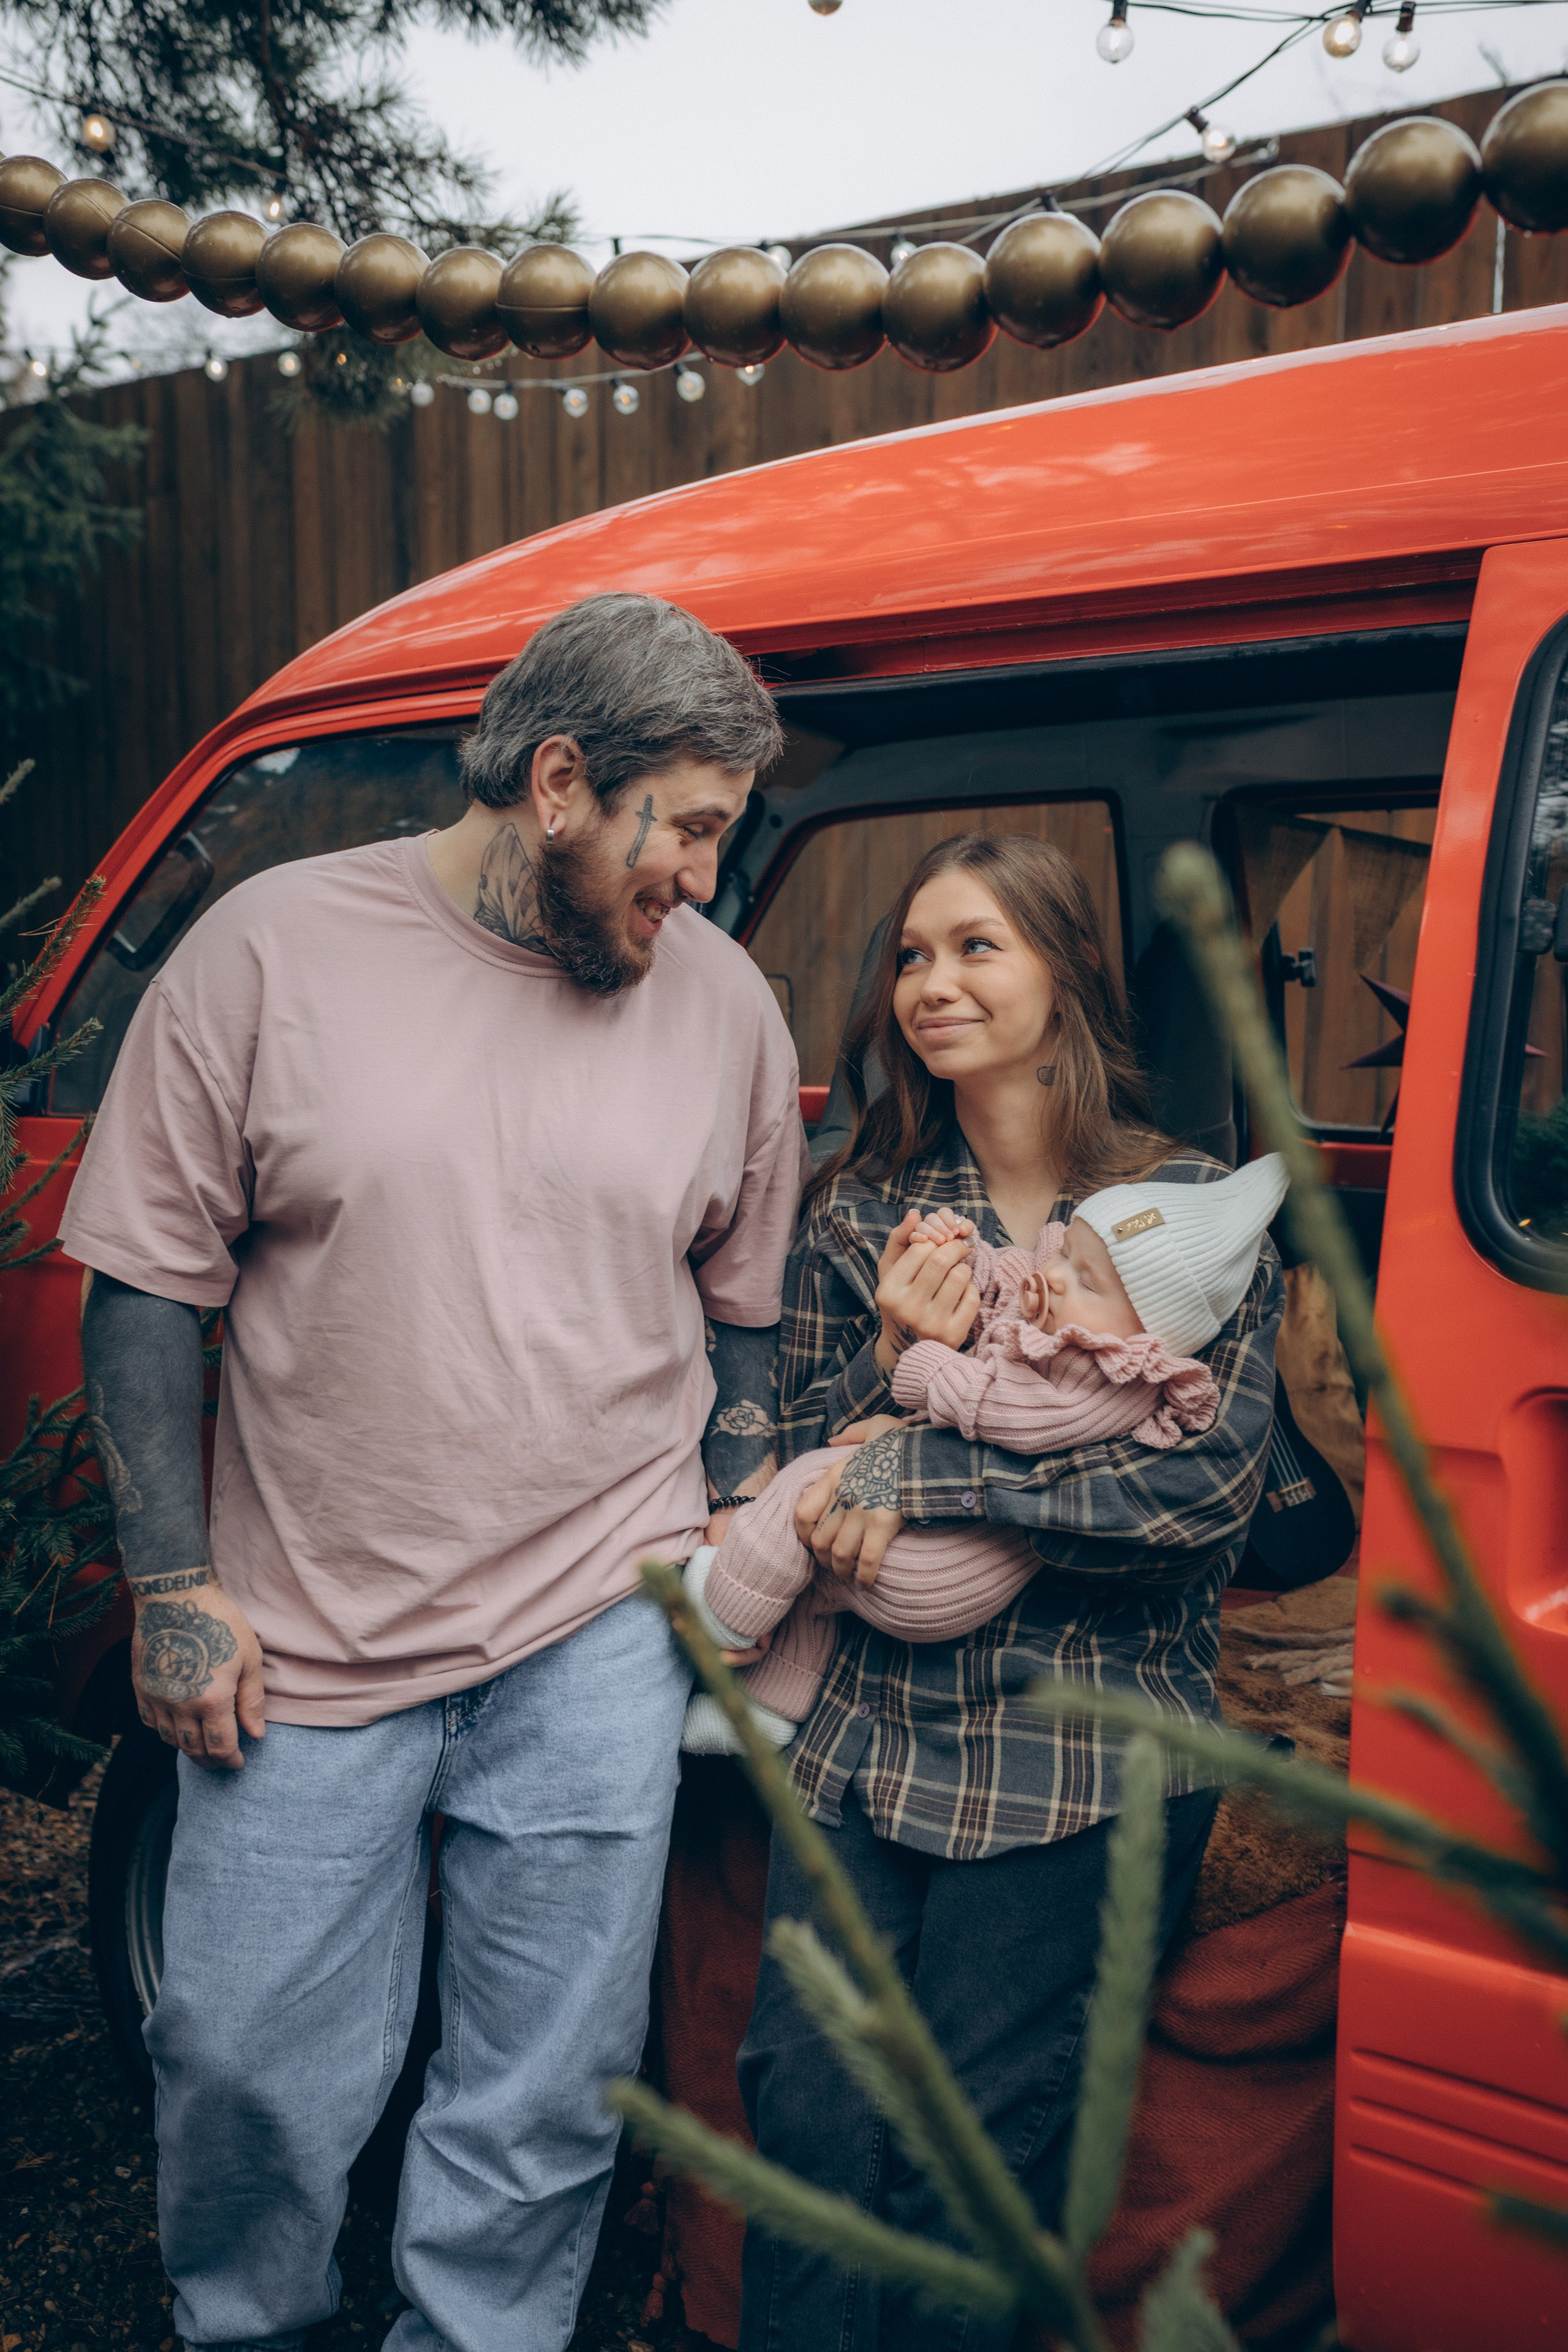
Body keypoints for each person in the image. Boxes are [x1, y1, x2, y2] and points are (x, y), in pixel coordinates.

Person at [63, 593, 805, 2352]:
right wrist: (173, 1587)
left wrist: (733, 1514)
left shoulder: (726, 1006)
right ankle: (253, 2324)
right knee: (243, 2061)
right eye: (688, 826)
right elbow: (146, 1287)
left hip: (600, 1618)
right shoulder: (267, 954)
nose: (704, 875)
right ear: (561, 781)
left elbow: (746, 1303)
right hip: (307, 1631)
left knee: (545, 2083)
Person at [735, 831, 1284, 2352]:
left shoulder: (1179, 1216)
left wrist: (916, 1470)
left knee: (965, 2164)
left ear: (1063, 973)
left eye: (976, 945)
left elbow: (1197, 1496)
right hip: (862, 1739)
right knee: (804, 2113)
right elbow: (794, 1459)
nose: (931, 981)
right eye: (911, 953)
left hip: (1083, 1749)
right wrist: (876, 1381)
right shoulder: (865, 1212)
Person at [680, 1154, 1287, 1751]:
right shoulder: (1060, 1303)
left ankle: (726, 1608)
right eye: (1069, 1255)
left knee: (803, 1488)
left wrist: (921, 1382)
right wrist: (962, 1257)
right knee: (817, 1590)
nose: (1055, 1277)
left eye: (1085, 1278)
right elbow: (1022, 1270)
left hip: (946, 1574)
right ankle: (766, 1709)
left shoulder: (1106, 1380)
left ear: (1150, 1331)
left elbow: (1009, 1412)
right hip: (907, 1579)